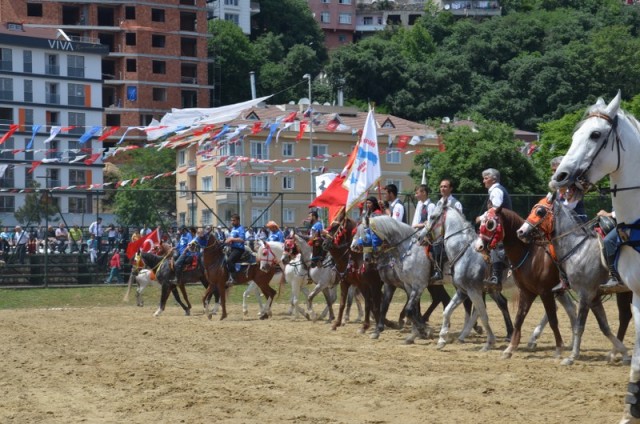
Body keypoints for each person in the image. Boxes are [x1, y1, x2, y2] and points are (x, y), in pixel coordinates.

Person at [477, 168, 512, 287]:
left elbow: (495, 210)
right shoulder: (495, 190)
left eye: (486, 178)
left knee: (495, 244)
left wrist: (481, 218)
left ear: (494, 179)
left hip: (502, 226)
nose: (483, 181)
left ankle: (496, 276)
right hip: (499, 224)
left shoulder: (496, 191)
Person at [597, 209, 624, 289]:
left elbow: (624, 210)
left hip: (628, 224)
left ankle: (615, 276)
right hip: (619, 222)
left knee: (608, 240)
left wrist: (608, 214)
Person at [225, 214, 246, 286]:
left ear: (238, 220)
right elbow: (231, 238)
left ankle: (234, 279)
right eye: (231, 220)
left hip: (239, 249)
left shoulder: (241, 228)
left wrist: (232, 239)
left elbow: (242, 239)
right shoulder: (233, 229)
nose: (232, 222)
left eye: (233, 220)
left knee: (229, 260)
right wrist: (227, 241)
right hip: (232, 248)